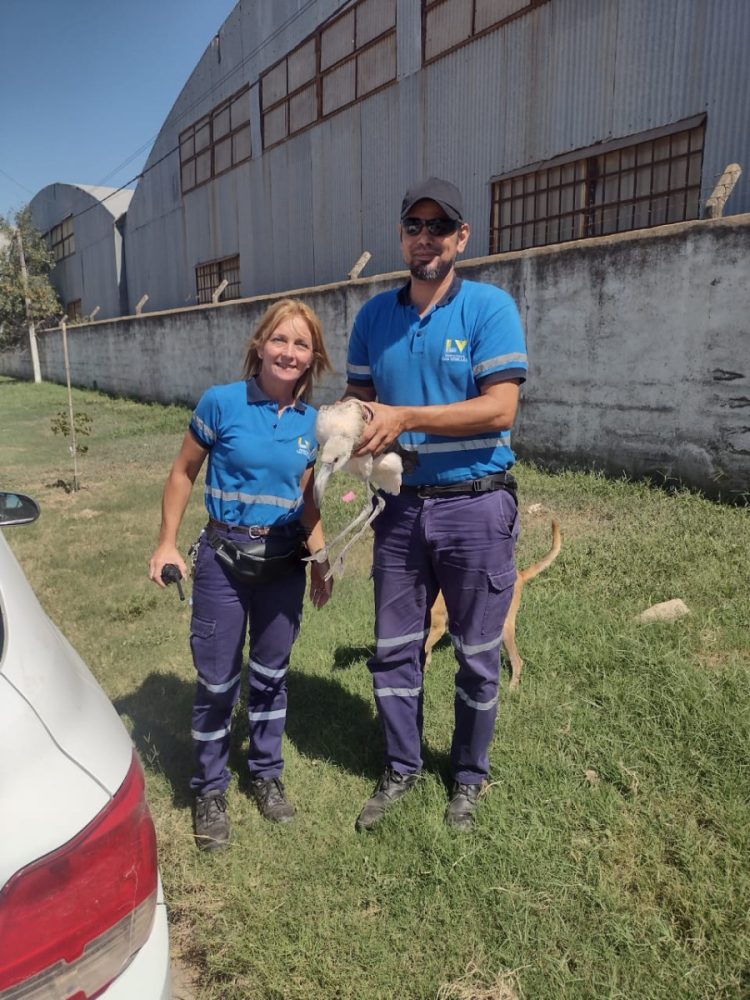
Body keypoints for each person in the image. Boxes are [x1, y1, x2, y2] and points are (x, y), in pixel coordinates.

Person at [344, 177, 528, 832]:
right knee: (395, 647)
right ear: (402, 236)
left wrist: (409, 415)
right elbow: (363, 405)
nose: (425, 238)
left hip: (475, 504)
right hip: (398, 508)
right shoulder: (374, 319)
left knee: (478, 652)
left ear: (461, 238)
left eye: (438, 227)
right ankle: (401, 766)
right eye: (413, 226)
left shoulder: (488, 309)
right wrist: (348, 440)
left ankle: (469, 779)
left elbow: (500, 407)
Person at [149, 298, 334, 851]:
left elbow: (307, 499)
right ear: (260, 345)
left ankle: (266, 772)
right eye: (281, 340)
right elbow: (183, 472)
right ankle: (209, 787)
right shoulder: (221, 402)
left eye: (302, 344)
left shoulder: (312, 424)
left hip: (282, 565)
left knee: (271, 675)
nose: (289, 352)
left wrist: (320, 561)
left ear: (313, 357)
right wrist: (166, 544)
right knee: (216, 680)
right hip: (223, 563)